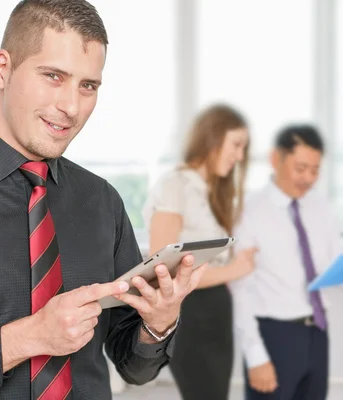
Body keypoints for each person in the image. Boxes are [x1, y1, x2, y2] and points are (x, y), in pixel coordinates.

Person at [0, 1, 204, 399]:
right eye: (53, 76)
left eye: (88, 86)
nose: (71, 107)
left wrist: (158, 324)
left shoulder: (102, 203)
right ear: (2, 69)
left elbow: (134, 367)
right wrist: (24, 340)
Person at [142, 104, 256, 399]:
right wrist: (236, 269)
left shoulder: (213, 192)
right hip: (189, 314)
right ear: (212, 138)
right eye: (236, 145)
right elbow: (162, 269)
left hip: (217, 310)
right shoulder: (175, 187)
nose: (239, 156)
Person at [230, 125, 340, 400]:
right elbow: (240, 288)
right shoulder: (247, 210)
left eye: (315, 170)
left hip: (317, 332)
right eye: (300, 168)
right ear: (275, 159)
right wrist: (255, 355)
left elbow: (331, 266)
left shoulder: (321, 206)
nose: (308, 178)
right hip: (274, 336)